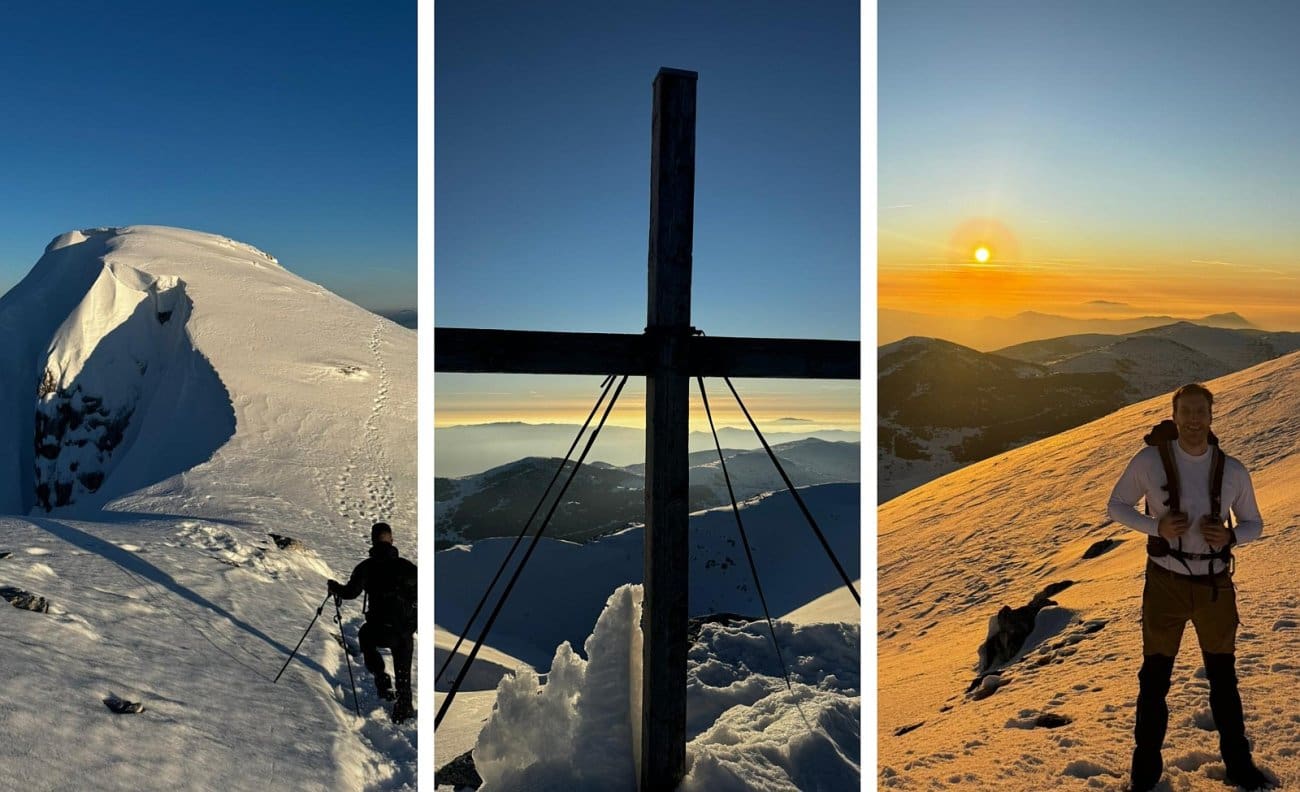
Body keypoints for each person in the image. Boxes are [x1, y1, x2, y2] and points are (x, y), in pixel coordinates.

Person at [1107, 383, 1272, 791]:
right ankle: (1144, 774)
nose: (1194, 420)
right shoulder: (1150, 461)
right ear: (1175, 416)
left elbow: (1255, 523)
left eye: (1201, 412)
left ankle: (1238, 765)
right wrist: (1155, 527)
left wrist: (1231, 537)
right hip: (1166, 583)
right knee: (1155, 679)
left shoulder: (1232, 470)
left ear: (1212, 417)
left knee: (1223, 678)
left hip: (1214, 585)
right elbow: (1116, 505)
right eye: (1187, 412)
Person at [327, 521, 418, 723]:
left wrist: (335, 588)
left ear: (372, 540)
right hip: (403, 631)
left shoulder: (366, 568)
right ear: (391, 539)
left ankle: (381, 679)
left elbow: (350, 592)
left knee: (365, 637)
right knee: (403, 670)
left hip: (378, 629)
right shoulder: (407, 568)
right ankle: (404, 708)